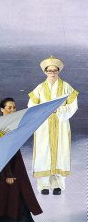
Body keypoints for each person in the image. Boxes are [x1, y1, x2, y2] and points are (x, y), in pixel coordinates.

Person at [0, 98, 47, 222]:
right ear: (2, 109)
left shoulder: (12, 124)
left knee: (18, 195)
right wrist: (8, 173)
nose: (12, 110)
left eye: (14, 107)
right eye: (9, 107)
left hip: (13, 164)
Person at [28, 56, 78, 195]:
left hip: (61, 124)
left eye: (55, 70)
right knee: (43, 152)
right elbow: (32, 106)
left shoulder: (66, 86)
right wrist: (44, 111)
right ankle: (43, 185)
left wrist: (59, 110)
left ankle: (57, 185)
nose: (52, 73)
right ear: (45, 72)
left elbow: (73, 105)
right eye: (49, 71)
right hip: (44, 125)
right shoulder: (40, 88)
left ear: (58, 71)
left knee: (61, 151)